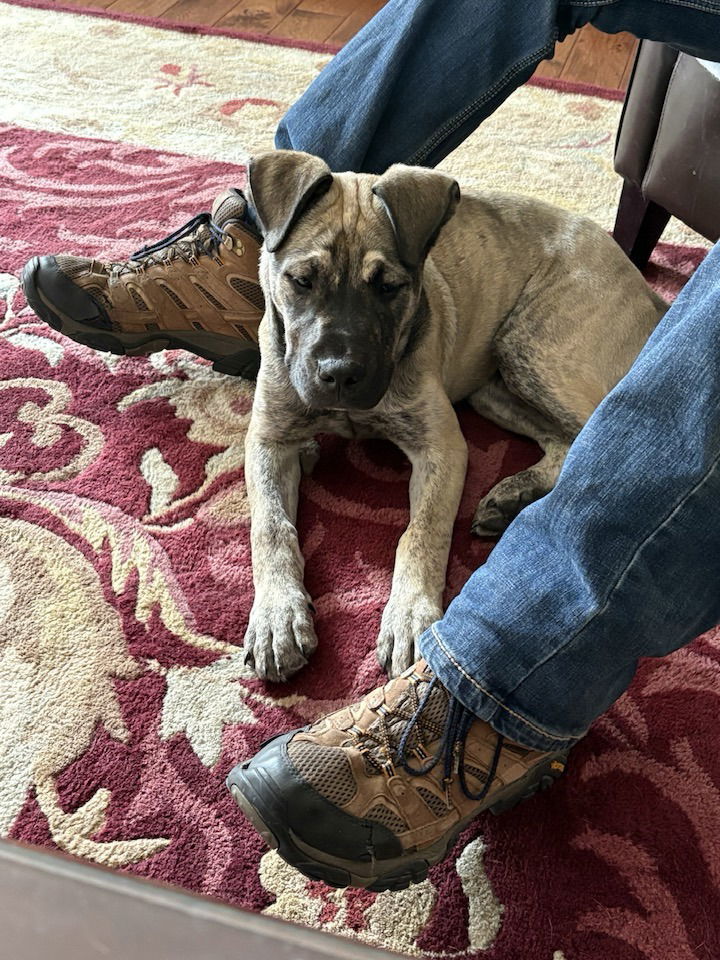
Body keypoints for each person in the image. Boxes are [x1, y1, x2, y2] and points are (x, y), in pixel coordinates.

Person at [22, 0, 720, 893]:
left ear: (419, 254)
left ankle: (509, 665)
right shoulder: (294, 318)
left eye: (387, 288)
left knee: (531, 388)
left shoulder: (479, 255)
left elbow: (439, 446)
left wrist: (417, 573)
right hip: (335, 240)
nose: (340, 354)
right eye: (304, 284)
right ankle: (240, 245)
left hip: (557, 272)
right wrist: (276, 574)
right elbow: (270, 440)